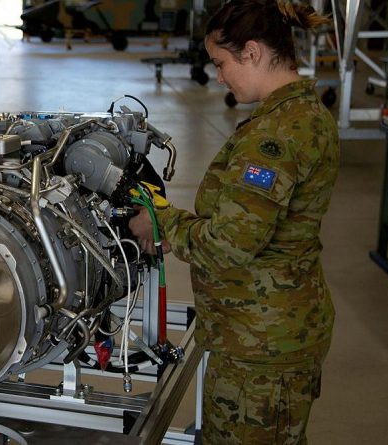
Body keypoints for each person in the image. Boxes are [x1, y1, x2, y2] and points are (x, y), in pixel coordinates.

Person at [129, 1, 338, 443]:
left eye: (222, 63)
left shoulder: (272, 137)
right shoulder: (306, 115)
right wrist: (180, 223)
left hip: (259, 346)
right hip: (271, 330)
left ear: (253, 52)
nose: (219, 76)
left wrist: (161, 224)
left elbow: (230, 244)